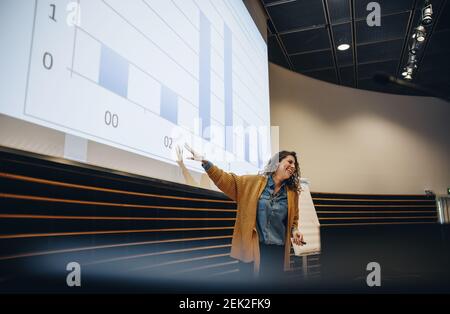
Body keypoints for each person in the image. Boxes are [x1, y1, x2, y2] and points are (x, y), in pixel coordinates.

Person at [183, 144, 305, 282]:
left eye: (295, 164)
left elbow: (294, 220)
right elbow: (226, 180)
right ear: (277, 163)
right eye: (290, 161)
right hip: (252, 248)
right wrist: (206, 163)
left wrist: (295, 231)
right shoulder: (252, 182)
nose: (293, 166)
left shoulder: (292, 193)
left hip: (277, 251)